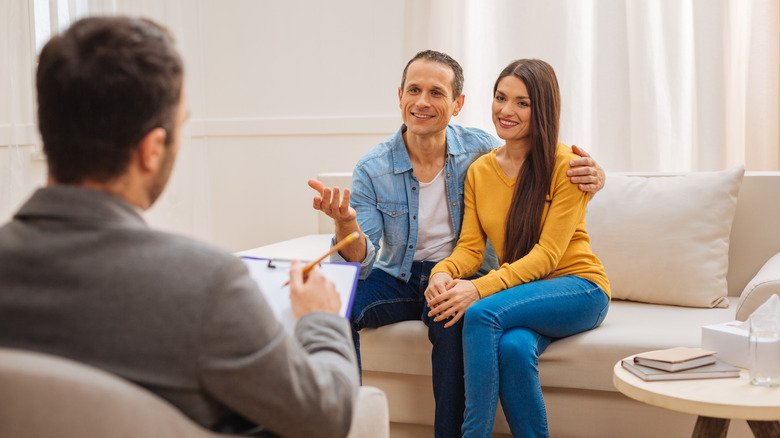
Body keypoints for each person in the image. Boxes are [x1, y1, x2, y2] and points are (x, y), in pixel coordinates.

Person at [0, 16, 360, 438]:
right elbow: (328, 416)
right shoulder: (206, 283)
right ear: (152, 149)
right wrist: (319, 318)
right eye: (181, 125)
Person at [309, 50, 606, 438]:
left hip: (519, 280)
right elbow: (365, 262)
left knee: (465, 319)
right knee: (337, 302)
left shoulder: (488, 151)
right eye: (413, 90)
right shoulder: (384, 167)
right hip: (401, 275)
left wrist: (597, 176)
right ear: (399, 96)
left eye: (436, 92)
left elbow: (546, 247)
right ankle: (344, 426)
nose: (422, 102)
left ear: (457, 104)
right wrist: (347, 224)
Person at [425, 59, 611, 438]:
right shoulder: (479, 171)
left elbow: (547, 257)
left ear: (541, 109)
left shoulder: (568, 165)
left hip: (581, 288)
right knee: (512, 349)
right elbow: (470, 250)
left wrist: (478, 288)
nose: (506, 110)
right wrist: (441, 273)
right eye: (500, 98)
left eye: (522, 103)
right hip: (525, 293)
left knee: (480, 315)